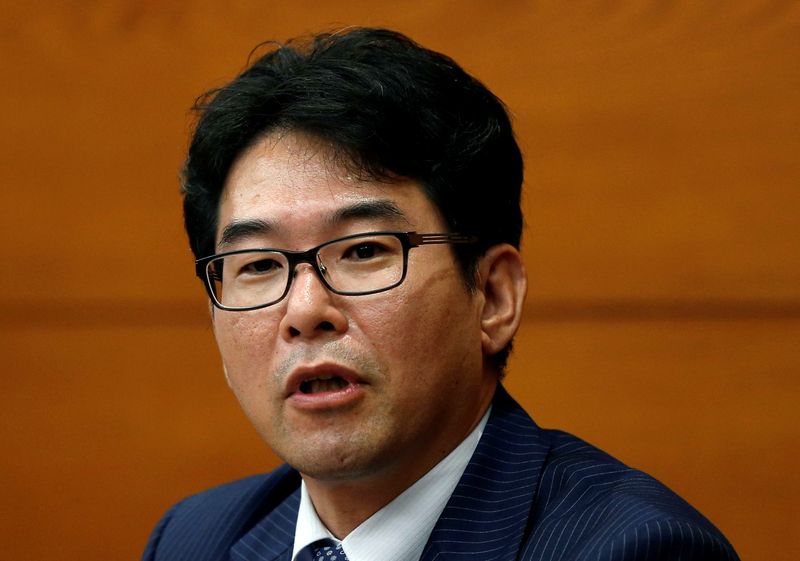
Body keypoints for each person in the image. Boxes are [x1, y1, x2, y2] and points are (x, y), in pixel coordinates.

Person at [143, 27, 739, 561]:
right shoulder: (196, 537)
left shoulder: (633, 550)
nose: (304, 312)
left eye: (364, 251)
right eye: (259, 264)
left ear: (494, 297)